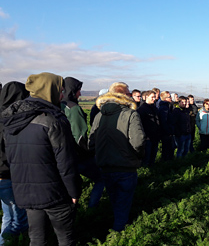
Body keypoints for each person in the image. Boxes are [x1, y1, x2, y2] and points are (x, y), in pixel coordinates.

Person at [2, 72, 82, 245]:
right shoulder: (53, 120)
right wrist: (74, 192)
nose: (62, 94)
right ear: (49, 90)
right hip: (55, 193)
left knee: (37, 238)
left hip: (25, 193)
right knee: (65, 238)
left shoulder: (13, 120)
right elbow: (66, 162)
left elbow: (12, 158)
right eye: (59, 90)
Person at [88, 82, 145, 232]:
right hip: (125, 167)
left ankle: (112, 227)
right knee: (124, 202)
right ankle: (119, 232)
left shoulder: (99, 115)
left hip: (105, 167)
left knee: (114, 199)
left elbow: (91, 142)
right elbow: (138, 141)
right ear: (125, 96)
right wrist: (137, 156)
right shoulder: (131, 114)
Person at [61, 77, 104, 208]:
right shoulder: (73, 108)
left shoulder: (58, 105)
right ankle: (92, 208)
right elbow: (79, 136)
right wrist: (88, 153)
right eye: (78, 90)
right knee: (101, 178)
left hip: (61, 154)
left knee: (68, 184)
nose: (80, 94)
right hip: (77, 155)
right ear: (72, 91)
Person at [0, 82, 29, 245]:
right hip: (8, 175)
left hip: (2, 178)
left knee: (8, 217)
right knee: (19, 222)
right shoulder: (11, 121)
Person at [137, 90, 160, 167]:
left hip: (155, 136)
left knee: (153, 156)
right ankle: (145, 172)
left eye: (154, 97)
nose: (154, 99)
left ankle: (152, 171)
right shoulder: (142, 109)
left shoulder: (154, 108)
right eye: (152, 97)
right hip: (147, 137)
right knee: (146, 157)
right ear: (146, 97)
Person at [158, 91, 175, 160]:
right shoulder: (164, 108)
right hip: (166, 133)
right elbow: (164, 121)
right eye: (169, 97)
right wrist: (169, 131)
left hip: (168, 132)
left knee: (169, 149)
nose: (171, 98)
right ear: (165, 99)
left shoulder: (167, 107)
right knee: (167, 150)